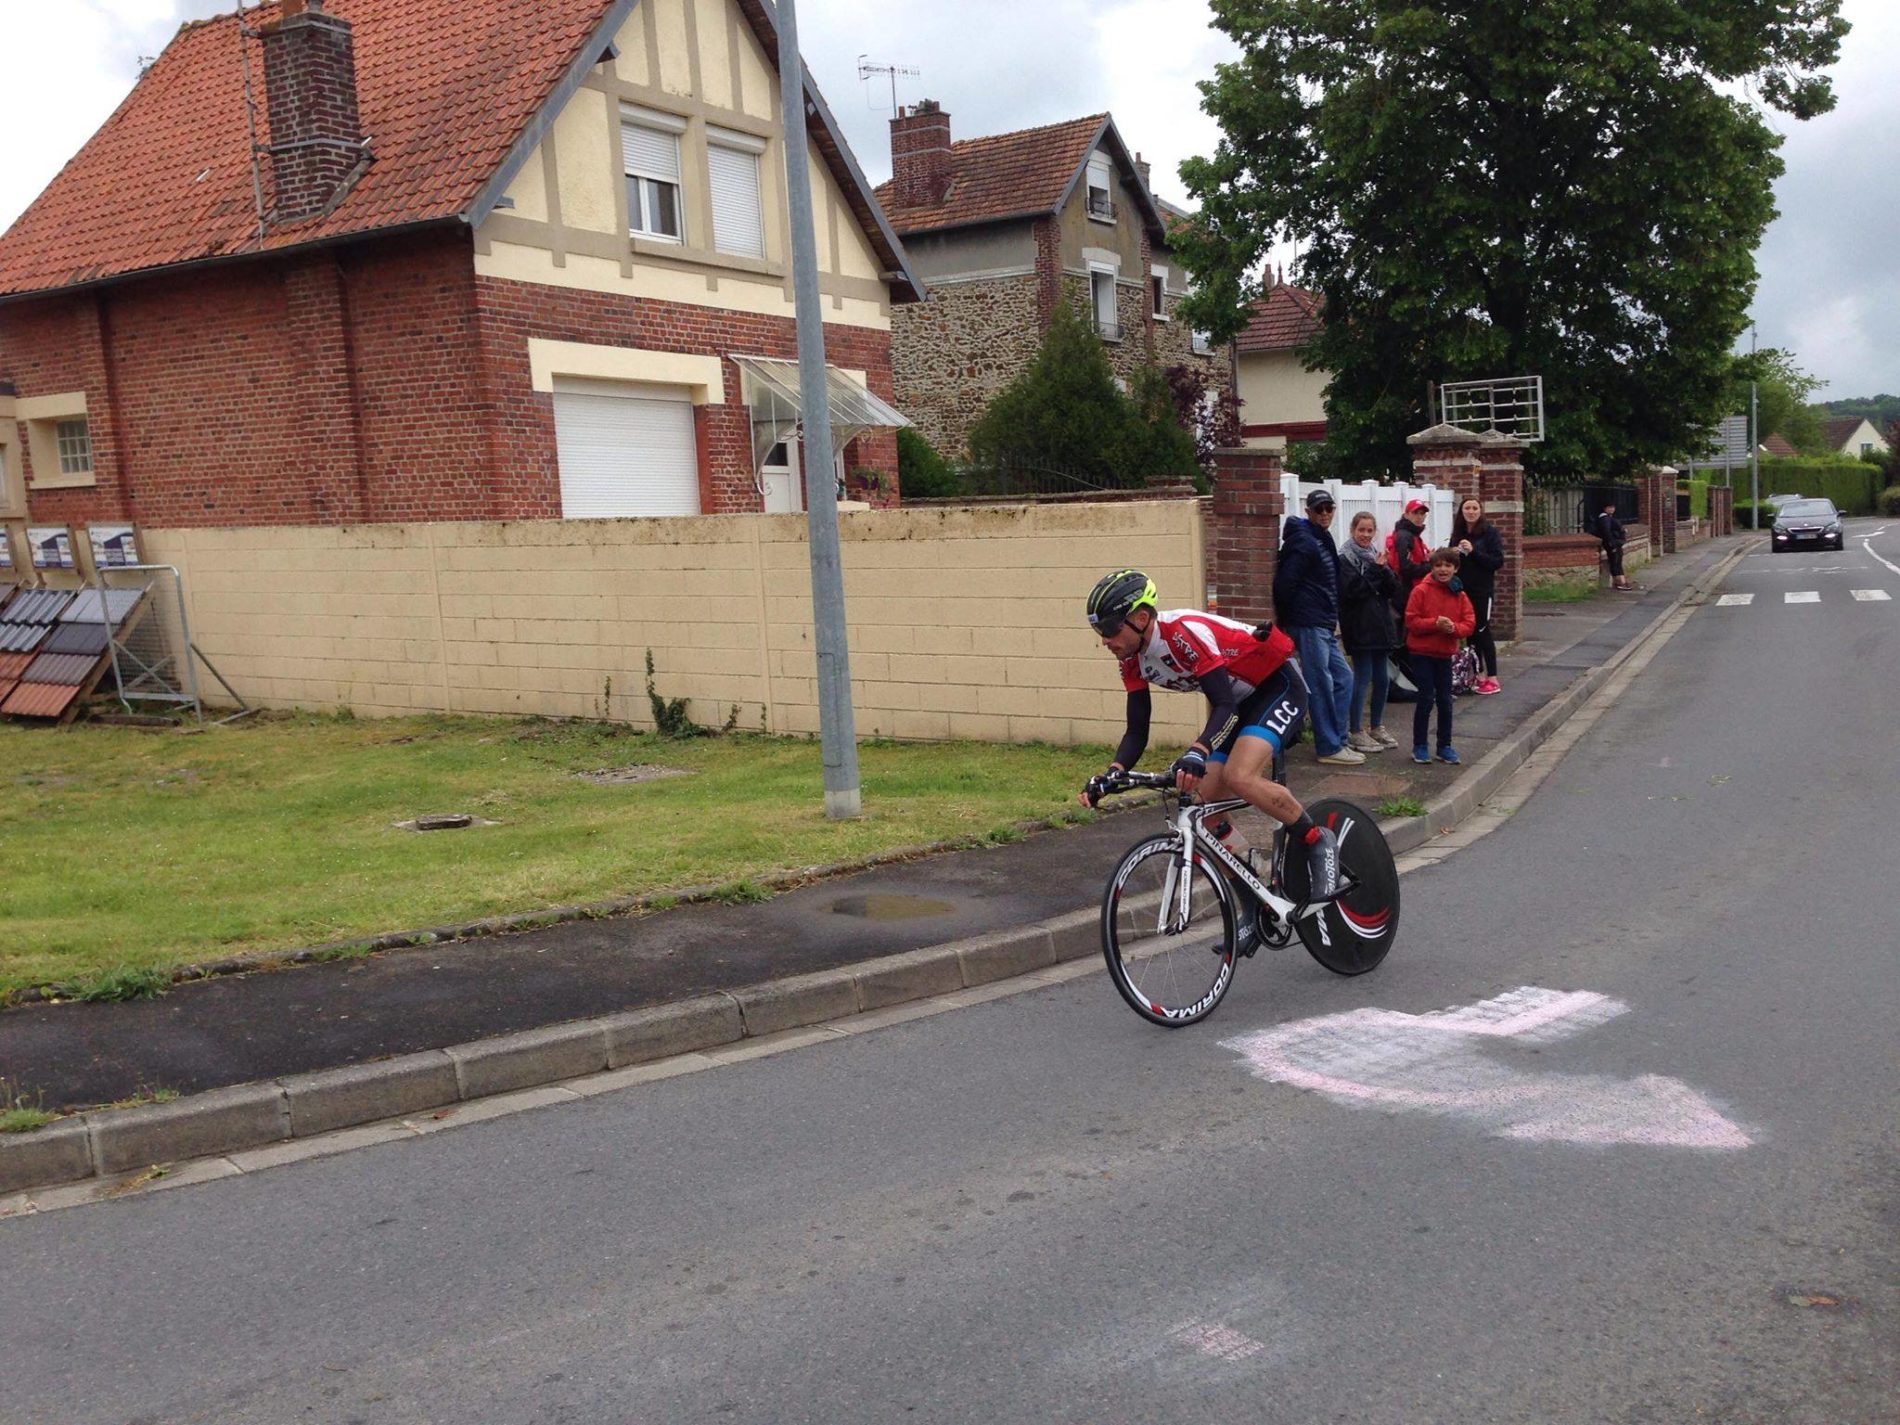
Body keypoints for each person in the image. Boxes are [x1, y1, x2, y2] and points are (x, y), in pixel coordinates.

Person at [1080, 569, 1341, 905]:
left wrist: (1198, 750)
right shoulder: (1131, 659)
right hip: (1237, 704)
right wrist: (1113, 773)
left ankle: (1317, 838)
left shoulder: (1181, 633)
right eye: (1098, 631)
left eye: (1110, 628)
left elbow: (1224, 705)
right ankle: (1253, 893)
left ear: (1141, 618)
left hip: (1276, 686)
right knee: (1205, 807)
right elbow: (1137, 729)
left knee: (1239, 775)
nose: (1104, 639)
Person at [1273, 488, 1362, 765]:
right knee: (1321, 682)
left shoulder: (1320, 538)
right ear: (1308, 511)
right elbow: (1285, 583)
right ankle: (1328, 747)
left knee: (1344, 678)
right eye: (1319, 509)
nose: (1325, 514)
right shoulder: (1303, 541)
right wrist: (1290, 621)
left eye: (1328, 509)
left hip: (1322, 622)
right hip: (1308, 622)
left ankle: (1338, 740)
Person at [1403, 548, 1476, 765]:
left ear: (1455, 568)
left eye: (1448, 565)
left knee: (1445, 701)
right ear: (1432, 568)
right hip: (1421, 653)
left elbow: (1469, 622)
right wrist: (1434, 623)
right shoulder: (1420, 591)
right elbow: (1411, 621)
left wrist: (1454, 629)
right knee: (1426, 698)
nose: (1443, 570)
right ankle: (1420, 745)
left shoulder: (1460, 594)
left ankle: (1444, 746)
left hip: (1445, 654)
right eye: (1438, 566)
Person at [1337, 511, 1400, 752]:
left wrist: (1384, 571)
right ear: (1353, 530)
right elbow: (1353, 592)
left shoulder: (1376, 555)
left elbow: (1392, 589)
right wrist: (1375, 570)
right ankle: (1355, 730)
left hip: (1380, 625)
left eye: (1369, 530)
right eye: (1361, 530)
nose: (1365, 535)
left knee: (1382, 678)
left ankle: (1377, 726)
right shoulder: (1345, 558)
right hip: (1359, 625)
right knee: (1362, 677)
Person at [1450, 497, 1504, 694]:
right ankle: (1478, 674)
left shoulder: (1489, 533)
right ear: (1462, 511)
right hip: (1463, 590)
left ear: (1480, 511)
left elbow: (1496, 561)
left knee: (1482, 631)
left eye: (1474, 508)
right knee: (1470, 632)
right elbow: (1451, 563)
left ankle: (1493, 677)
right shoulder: (1458, 533)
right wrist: (1453, 553)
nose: (1471, 511)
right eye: (1467, 508)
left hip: (1482, 590)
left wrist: (1473, 552)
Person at [1593, 499, 1637, 591]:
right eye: (1609, 507)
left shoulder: (1608, 518)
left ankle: (1623, 581)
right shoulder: (1604, 519)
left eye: (1613, 507)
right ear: (1605, 508)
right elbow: (1606, 532)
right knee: (1615, 562)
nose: (1612, 509)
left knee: (1618, 562)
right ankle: (1619, 582)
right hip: (1613, 544)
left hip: (1616, 543)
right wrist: (1611, 543)